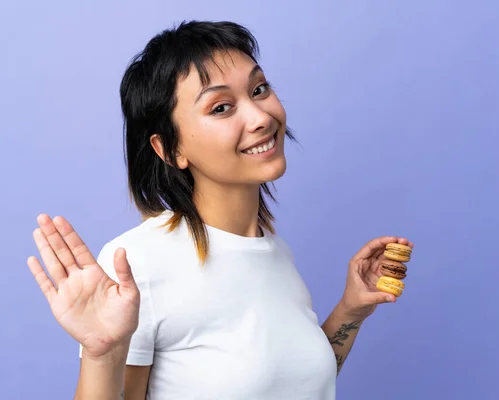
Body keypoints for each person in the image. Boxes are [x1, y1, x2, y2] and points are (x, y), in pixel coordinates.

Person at [27, 20, 413, 400]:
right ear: (170, 149)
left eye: (259, 89)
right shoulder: (137, 263)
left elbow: (295, 387)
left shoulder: (276, 254)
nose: (261, 118)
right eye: (222, 107)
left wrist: (350, 310)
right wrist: (103, 355)